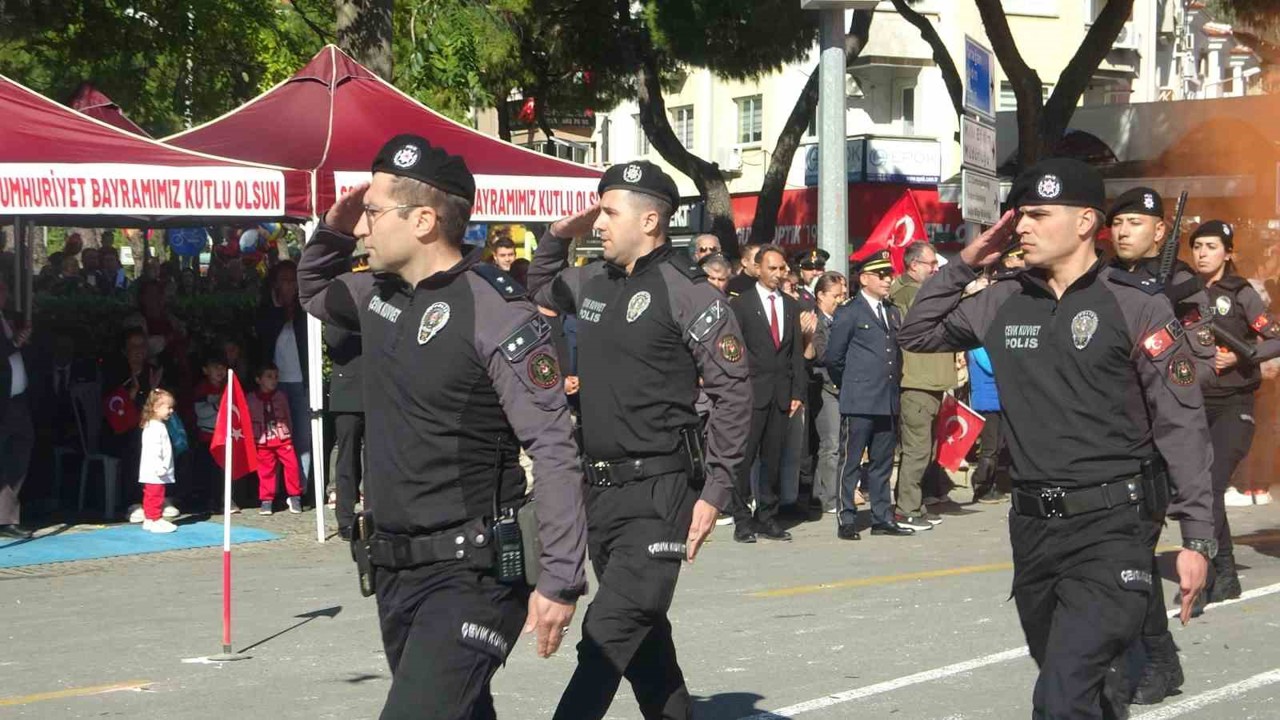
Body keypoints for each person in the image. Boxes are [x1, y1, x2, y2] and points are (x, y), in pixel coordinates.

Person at [899, 157, 1214, 719]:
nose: (1021, 226)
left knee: (1061, 697)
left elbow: (1181, 422)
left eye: (1039, 215)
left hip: (1114, 526)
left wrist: (1197, 536)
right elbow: (917, 329)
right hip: (1034, 529)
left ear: (1086, 221)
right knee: (1085, 693)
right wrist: (969, 258)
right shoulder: (1002, 299)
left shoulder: (1136, 305)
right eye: (1020, 215)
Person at [298, 134, 588, 719]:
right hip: (394, 569)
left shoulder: (495, 308)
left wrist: (560, 578)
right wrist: (330, 228)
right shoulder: (374, 294)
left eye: (373, 212)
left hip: (472, 573)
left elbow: (553, 445)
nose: (363, 227)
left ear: (424, 220)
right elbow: (311, 291)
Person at [528, 160, 751, 720]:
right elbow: (537, 285)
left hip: (660, 493)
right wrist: (560, 234)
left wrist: (715, 491)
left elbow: (733, 394)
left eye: (609, 211)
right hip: (599, 495)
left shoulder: (690, 293)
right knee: (645, 645)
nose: (599, 223)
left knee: (607, 632)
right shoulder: (593, 280)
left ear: (650, 219)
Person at [1190, 220, 1280, 603]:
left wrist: (1240, 355)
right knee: (1198, 493)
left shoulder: (1241, 293)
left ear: (1227, 252)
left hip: (1234, 406)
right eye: (1197, 246)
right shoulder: (1185, 292)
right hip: (1194, 405)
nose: (1203, 253)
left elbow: (1274, 339)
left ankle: (1221, 571)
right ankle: (1220, 571)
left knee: (1210, 486)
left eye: (1211, 246)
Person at [825, 252, 915, 540]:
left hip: (887, 399)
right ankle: (847, 517)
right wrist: (852, 385)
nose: (888, 279)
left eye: (889, 274)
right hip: (860, 399)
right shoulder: (849, 312)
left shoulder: (891, 311)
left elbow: (894, 355)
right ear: (864, 279)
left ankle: (881, 517)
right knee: (850, 462)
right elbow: (834, 358)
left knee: (882, 463)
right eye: (881, 275)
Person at [728, 244, 808, 543]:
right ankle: (741, 519)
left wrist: (797, 390)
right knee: (744, 458)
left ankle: (767, 516)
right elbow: (734, 352)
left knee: (772, 458)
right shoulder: (742, 305)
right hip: (750, 393)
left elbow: (795, 354)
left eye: (782, 268)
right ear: (758, 269)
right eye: (772, 268)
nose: (778, 273)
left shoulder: (790, 305)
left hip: (780, 393)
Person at [1107, 187, 1215, 373]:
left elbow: (1205, 365)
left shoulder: (1181, 281)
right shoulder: (1103, 276)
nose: (1123, 232)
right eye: (1117, 223)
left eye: (1134, 223)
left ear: (1158, 231)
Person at [889, 241, 954, 530]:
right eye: (930, 264)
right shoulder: (909, 293)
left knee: (923, 451)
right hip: (917, 382)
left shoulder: (918, 291)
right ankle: (906, 510)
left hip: (929, 381)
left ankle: (913, 504)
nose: (935, 268)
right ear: (914, 265)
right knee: (916, 451)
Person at [257, 261, 312, 492]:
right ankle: (274, 490)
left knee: (302, 437)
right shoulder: (267, 310)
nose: (290, 285)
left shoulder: (305, 309)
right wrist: (281, 308)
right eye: (285, 280)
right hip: (274, 384)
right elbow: (265, 337)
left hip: (299, 382)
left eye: (293, 280)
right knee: (274, 439)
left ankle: (300, 488)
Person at [809, 271, 847, 515]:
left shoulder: (840, 318)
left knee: (841, 445)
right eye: (836, 296)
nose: (841, 300)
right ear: (820, 295)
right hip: (823, 386)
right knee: (830, 445)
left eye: (844, 295)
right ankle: (829, 498)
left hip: (841, 386)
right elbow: (822, 355)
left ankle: (834, 492)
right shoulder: (815, 321)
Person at [324, 322, 364, 540]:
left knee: (375, 459)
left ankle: (374, 514)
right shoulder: (340, 307)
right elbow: (332, 341)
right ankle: (346, 521)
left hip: (374, 388)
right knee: (346, 458)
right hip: (347, 393)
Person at [0, 277, 33, 540]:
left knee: (18, 455)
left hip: (17, 399)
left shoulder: (7, 317)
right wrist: (14, 344)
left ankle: (7, 516)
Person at [249, 363, 303, 516]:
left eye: (275, 377)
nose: (273, 380)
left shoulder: (280, 397)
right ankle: (267, 499)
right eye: (269, 377)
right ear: (258, 380)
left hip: (282, 438)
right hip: (262, 440)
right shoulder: (251, 398)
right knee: (266, 470)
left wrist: (289, 433)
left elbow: (287, 416)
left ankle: (294, 496)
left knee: (292, 466)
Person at [966, 343, 1009, 504]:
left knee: (997, 447)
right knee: (989, 448)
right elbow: (990, 366)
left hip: (999, 400)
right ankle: (980, 483)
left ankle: (990, 485)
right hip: (985, 401)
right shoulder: (977, 346)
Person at [137, 389, 179, 534]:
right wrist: (159, 466)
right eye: (168, 407)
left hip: (157, 469)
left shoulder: (157, 425)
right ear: (156, 408)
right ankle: (154, 519)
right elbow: (153, 449)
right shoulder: (154, 427)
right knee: (155, 495)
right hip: (156, 469)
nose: (171, 410)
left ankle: (150, 519)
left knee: (153, 494)